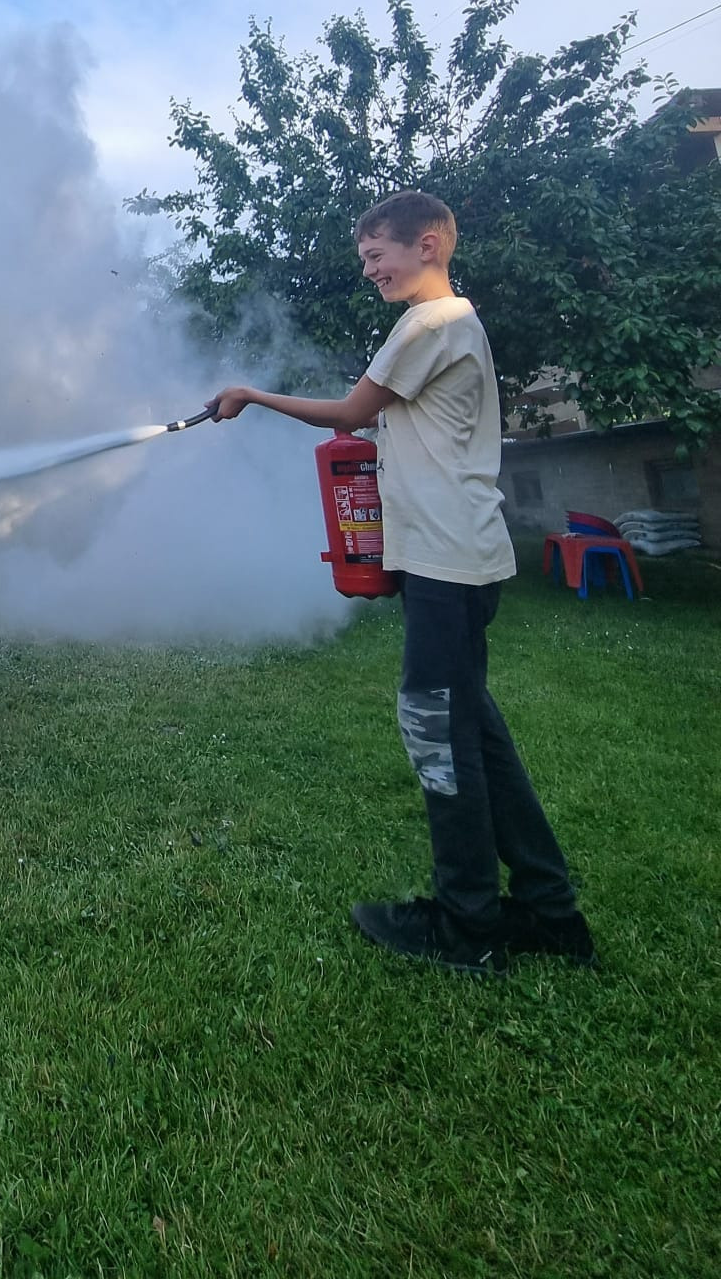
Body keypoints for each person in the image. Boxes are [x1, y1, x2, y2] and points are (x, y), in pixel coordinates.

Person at [208, 190, 593, 977]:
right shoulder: (453, 327)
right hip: (454, 559)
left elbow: (348, 411)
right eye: (363, 260)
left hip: (448, 563)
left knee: (437, 731)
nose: (369, 270)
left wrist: (250, 394)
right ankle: (551, 913)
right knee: (475, 732)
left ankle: (467, 925)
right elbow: (378, 422)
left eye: (375, 254)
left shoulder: (431, 323)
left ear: (427, 245)